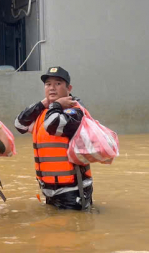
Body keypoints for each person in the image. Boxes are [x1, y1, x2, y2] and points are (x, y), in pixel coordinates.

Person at [14, 66, 92, 210]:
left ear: (69, 88)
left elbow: (53, 126)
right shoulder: (45, 111)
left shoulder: (75, 110)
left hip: (73, 191)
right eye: (48, 84)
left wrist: (56, 104)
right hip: (49, 190)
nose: (52, 88)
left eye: (58, 83)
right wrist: (41, 104)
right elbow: (19, 124)